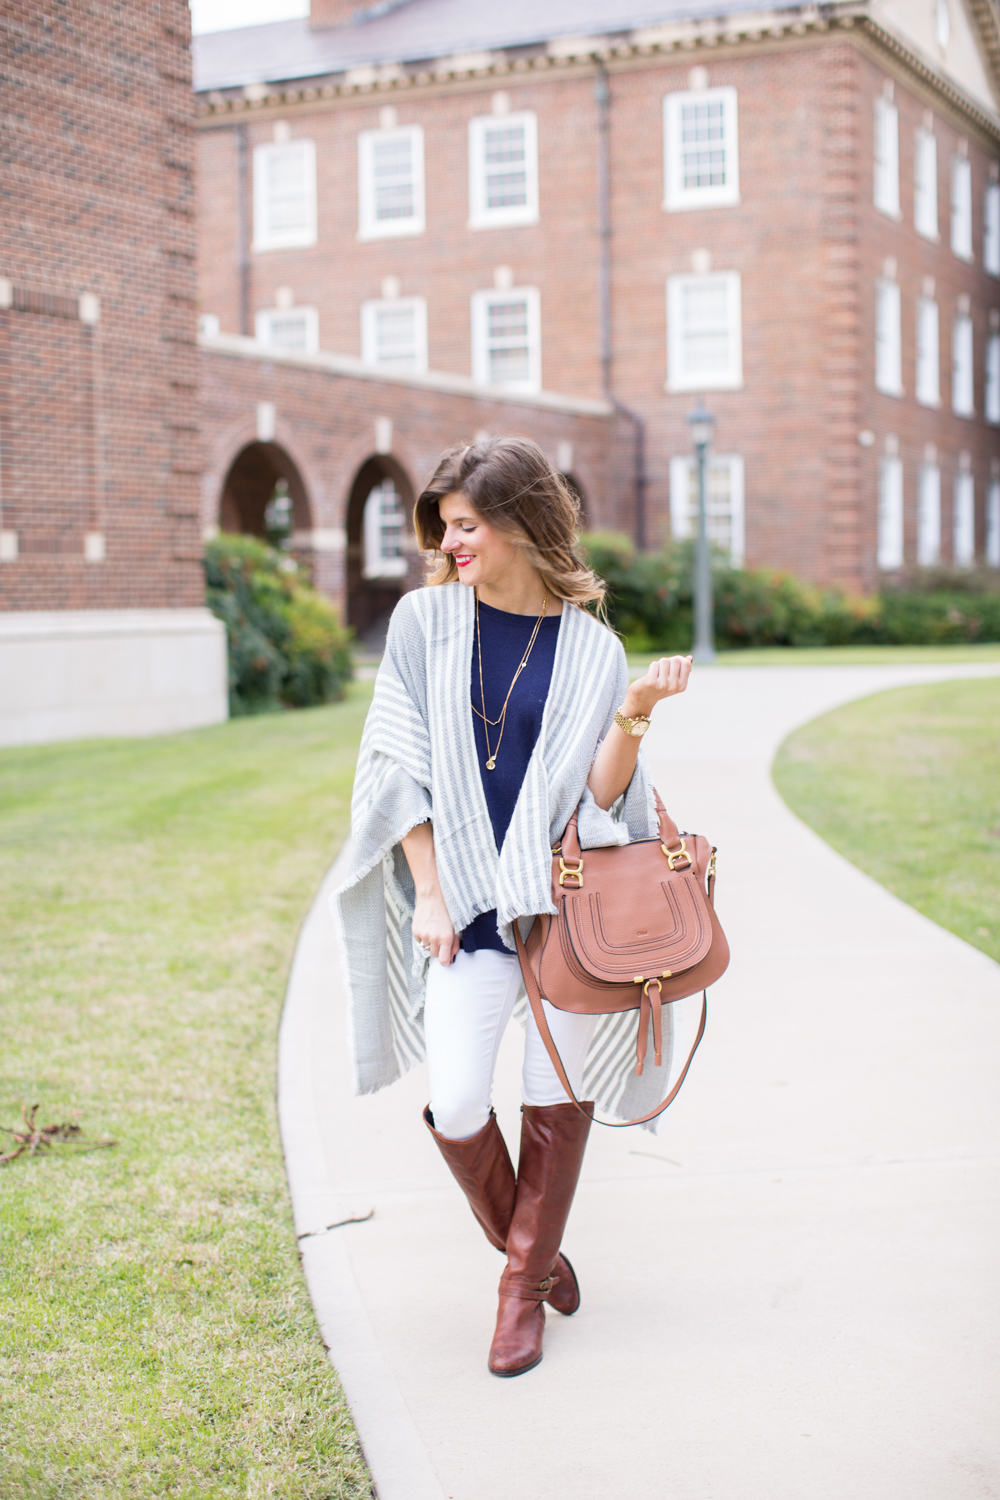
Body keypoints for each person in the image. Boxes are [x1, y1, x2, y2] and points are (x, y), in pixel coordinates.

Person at [333, 437, 692, 1377]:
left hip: (560, 917)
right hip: (467, 912)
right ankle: (537, 1257)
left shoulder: (593, 649)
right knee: (455, 1103)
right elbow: (394, 760)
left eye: (467, 526)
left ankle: (516, 1296)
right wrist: (433, 891)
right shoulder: (423, 623)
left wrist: (638, 711)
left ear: (522, 525)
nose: (450, 543)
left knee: (550, 1095)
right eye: (443, 526)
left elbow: (610, 799)